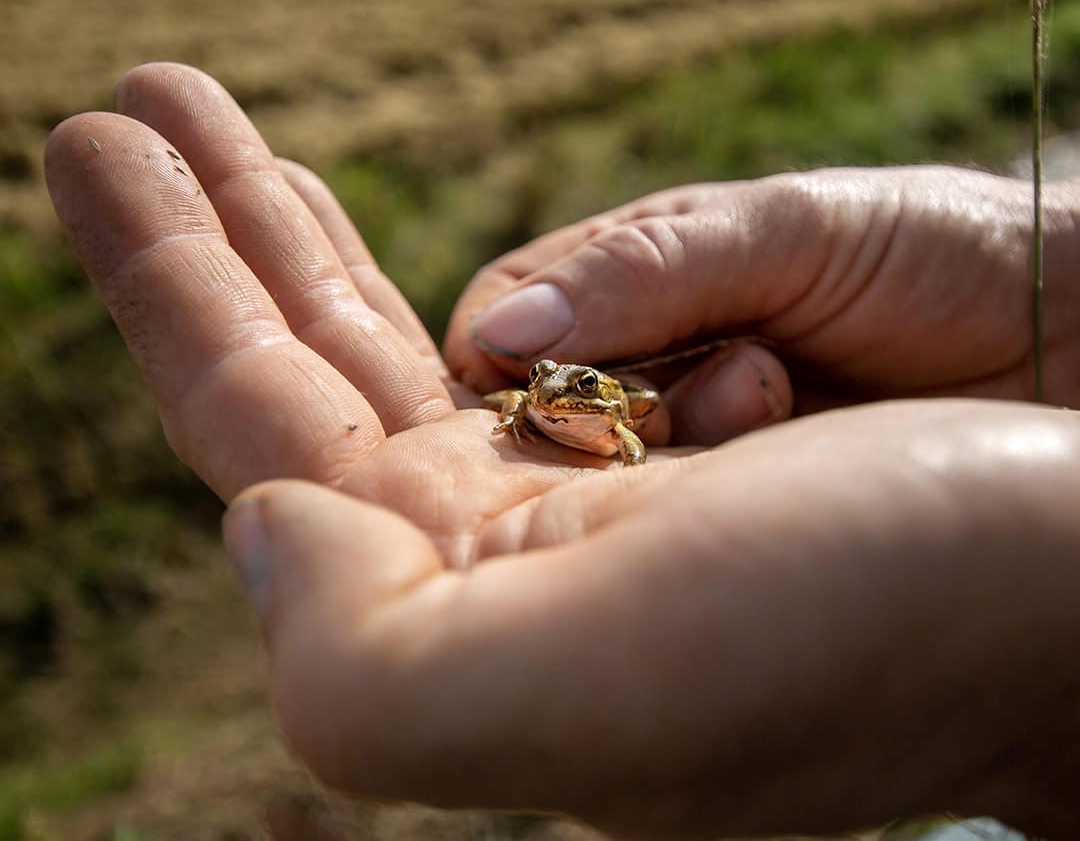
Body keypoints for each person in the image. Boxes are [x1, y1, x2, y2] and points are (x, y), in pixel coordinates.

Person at [44, 63, 1080, 839]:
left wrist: (1024, 613)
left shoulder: (611, 417)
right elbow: (538, 401)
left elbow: (621, 428)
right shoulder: (544, 394)